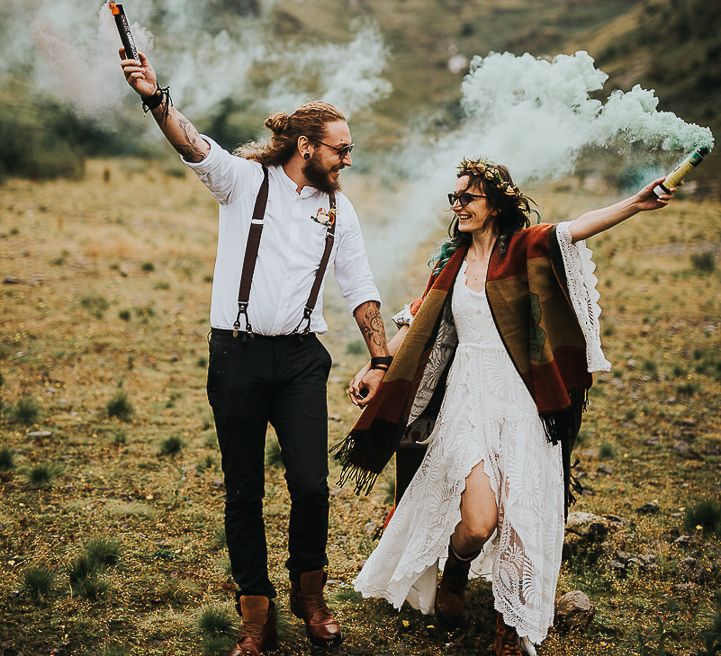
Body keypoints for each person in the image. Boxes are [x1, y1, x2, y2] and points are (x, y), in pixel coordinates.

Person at [338, 158, 675, 655]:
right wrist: (381, 366)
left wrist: (636, 204)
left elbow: (575, 228)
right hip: (467, 401)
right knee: (478, 522)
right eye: (453, 198)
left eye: (467, 198)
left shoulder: (522, 248)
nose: (457, 206)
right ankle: (456, 568)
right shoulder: (449, 263)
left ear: (494, 204)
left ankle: (509, 628)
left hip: (522, 403)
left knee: (520, 513)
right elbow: (424, 319)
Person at [119, 49, 391, 655]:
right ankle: (255, 611)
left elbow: (361, 288)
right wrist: (154, 95)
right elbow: (193, 145)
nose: (349, 158)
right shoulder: (244, 183)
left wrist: (378, 362)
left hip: (300, 360)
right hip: (236, 357)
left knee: (312, 486)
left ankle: (309, 593)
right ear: (305, 146)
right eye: (340, 149)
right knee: (243, 489)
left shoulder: (338, 211)